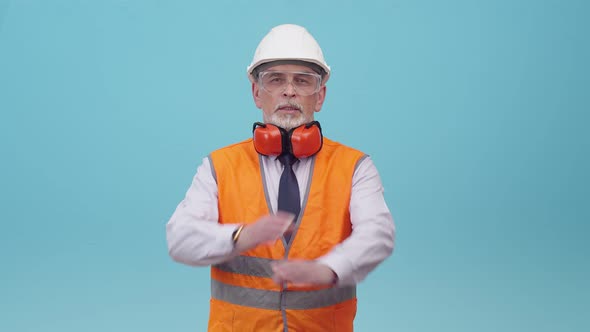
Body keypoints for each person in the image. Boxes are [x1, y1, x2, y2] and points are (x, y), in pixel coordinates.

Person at [166, 24, 395, 332]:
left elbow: (378, 234)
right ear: (256, 93)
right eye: (275, 80)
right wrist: (239, 237)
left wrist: (329, 268)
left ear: (320, 96)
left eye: (302, 81)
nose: (289, 91)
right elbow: (179, 238)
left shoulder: (355, 167)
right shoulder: (218, 166)